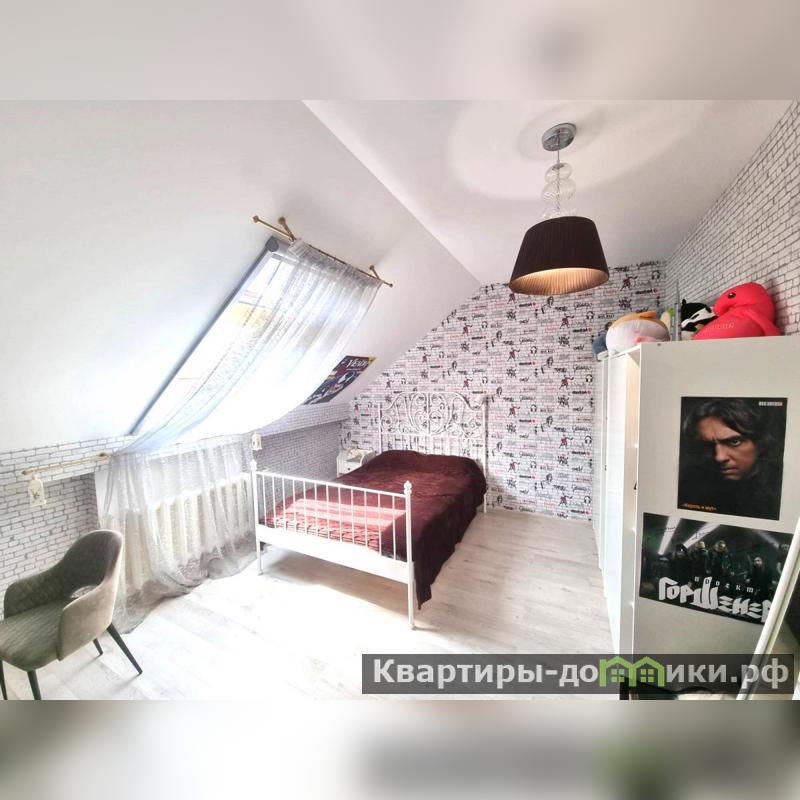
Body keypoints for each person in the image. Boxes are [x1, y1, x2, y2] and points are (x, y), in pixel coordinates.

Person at [678, 398, 784, 519]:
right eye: (708, 445)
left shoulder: (780, 491)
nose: (719, 457)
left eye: (734, 442)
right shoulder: (691, 487)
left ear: (760, 442)